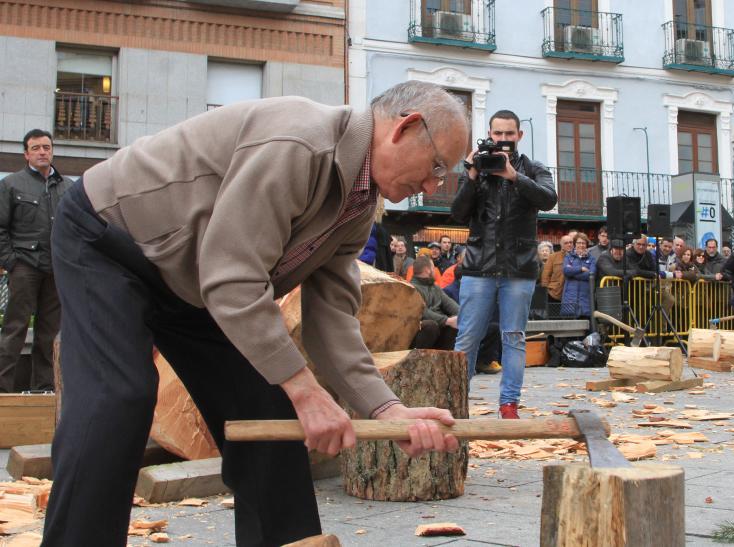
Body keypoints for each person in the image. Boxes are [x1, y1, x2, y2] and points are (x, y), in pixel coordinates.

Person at [42, 81, 469, 546]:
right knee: (117, 398)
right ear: (404, 128)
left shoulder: (359, 202)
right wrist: (307, 392)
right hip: (109, 240)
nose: (432, 186)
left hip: (194, 281)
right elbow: (232, 278)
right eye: (437, 167)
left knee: (270, 420)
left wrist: (384, 408)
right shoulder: (300, 145)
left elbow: (331, 315)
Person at [451, 109, 557, 419]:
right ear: (489, 134)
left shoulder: (533, 169)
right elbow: (458, 213)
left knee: (513, 337)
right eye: (498, 134)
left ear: (519, 136)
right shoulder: (477, 170)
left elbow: (549, 198)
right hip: (478, 266)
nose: (503, 139)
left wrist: (514, 177)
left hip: (519, 267)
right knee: (468, 336)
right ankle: (458, 403)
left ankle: (509, 405)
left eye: (509, 134)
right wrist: (471, 173)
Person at [0, 129, 72, 393]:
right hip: (24, 267)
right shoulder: (11, 184)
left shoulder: (68, 187)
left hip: (56, 269)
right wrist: (11, 262)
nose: (42, 152)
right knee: (14, 330)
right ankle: (3, 393)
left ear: (52, 150)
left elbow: (74, 229)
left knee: (48, 334)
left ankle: (44, 390)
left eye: (46, 147)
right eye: (36, 148)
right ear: (26, 154)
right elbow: (0, 228)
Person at [409, 255, 459, 350]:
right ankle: (420, 360)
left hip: (440, 328)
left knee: (455, 324)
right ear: (428, 270)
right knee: (431, 326)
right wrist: (446, 321)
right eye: (433, 267)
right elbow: (422, 312)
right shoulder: (411, 289)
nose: (435, 270)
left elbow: (450, 304)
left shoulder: (435, 287)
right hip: (421, 333)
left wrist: (462, 316)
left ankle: (444, 360)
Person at [561, 232, 596, 318]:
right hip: (570, 298)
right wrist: (581, 269)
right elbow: (566, 271)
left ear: (586, 245)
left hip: (585, 299)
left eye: (583, 243)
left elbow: (591, 274)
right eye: (578, 243)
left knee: (585, 325)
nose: (581, 245)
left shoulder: (591, 259)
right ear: (575, 244)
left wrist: (572, 273)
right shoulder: (568, 257)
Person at [541, 234, 572, 311]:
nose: (569, 244)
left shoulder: (576, 256)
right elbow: (545, 276)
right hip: (554, 293)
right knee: (554, 316)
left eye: (571, 242)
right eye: (566, 243)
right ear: (561, 244)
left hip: (571, 294)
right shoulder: (553, 257)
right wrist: (547, 291)